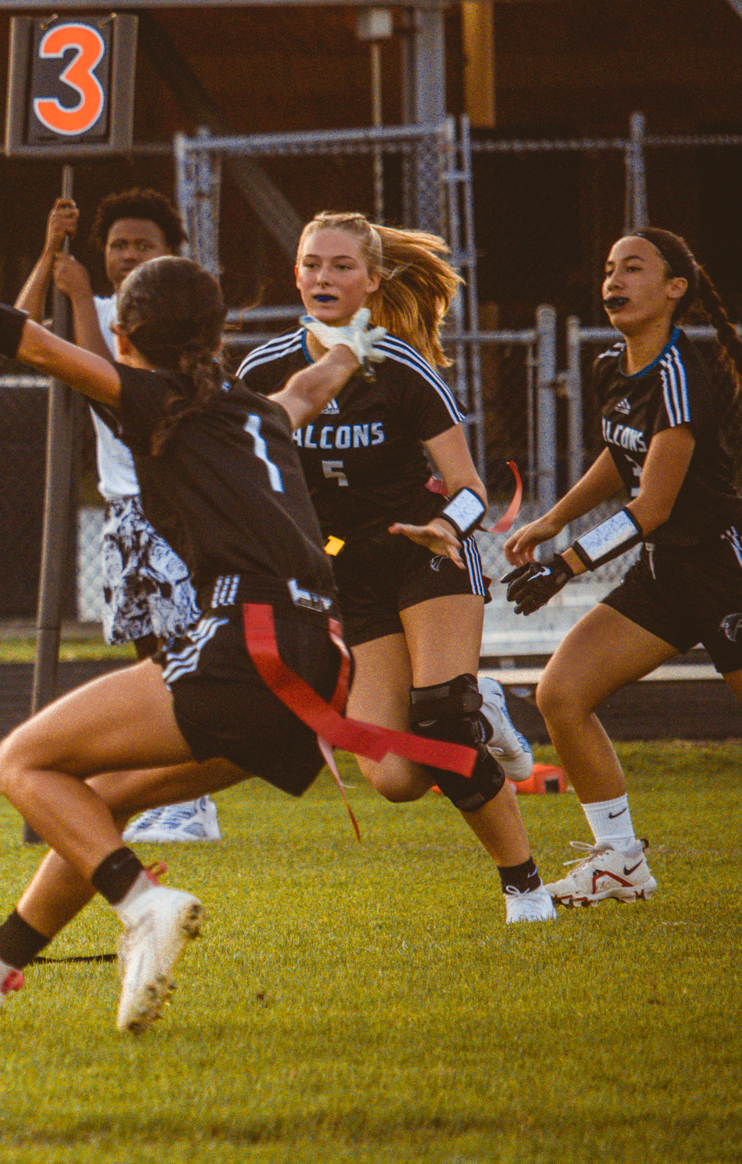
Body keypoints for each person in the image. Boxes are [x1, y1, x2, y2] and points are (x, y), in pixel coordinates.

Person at [0, 196, 446, 1034]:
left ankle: (141, 904)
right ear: (219, 338)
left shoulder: (157, 401)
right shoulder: (259, 410)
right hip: (317, 660)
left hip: (251, 641)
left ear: (126, 335)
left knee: (23, 762)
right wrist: (367, 325)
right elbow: (317, 378)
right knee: (103, 796)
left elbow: (31, 341)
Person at [236, 213, 550, 923]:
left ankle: (526, 888)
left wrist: (444, 525)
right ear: (296, 274)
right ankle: (487, 704)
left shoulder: (402, 366)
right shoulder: (261, 370)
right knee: (395, 774)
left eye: (343, 266)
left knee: (441, 718)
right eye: (313, 263)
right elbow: (249, 481)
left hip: (427, 552)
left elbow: (473, 490)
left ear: (373, 282)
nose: (325, 277)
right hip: (350, 573)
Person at [501, 228, 742, 906]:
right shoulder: (612, 363)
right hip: (666, 572)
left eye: (633, 268)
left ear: (675, 289)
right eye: (610, 267)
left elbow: (655, 504)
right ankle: (620, 861)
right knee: (561, 694)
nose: (614, 279)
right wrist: (553, 519)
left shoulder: (679, 372)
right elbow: (621, 453)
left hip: (721, 568)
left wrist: (566, 563)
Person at [13, 189, 217, 846]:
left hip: (171, 509)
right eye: (118, 245)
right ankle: (160, 790)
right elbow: (20, 327)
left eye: (143, 245)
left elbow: (108, 380)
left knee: (183, 651)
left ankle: (194, 798)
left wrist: (76, 302)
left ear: (170, 254)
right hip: (121, 508)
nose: (129, 256)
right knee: (148, 655)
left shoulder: (176, 322)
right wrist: (50, 254)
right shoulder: (99, 307)